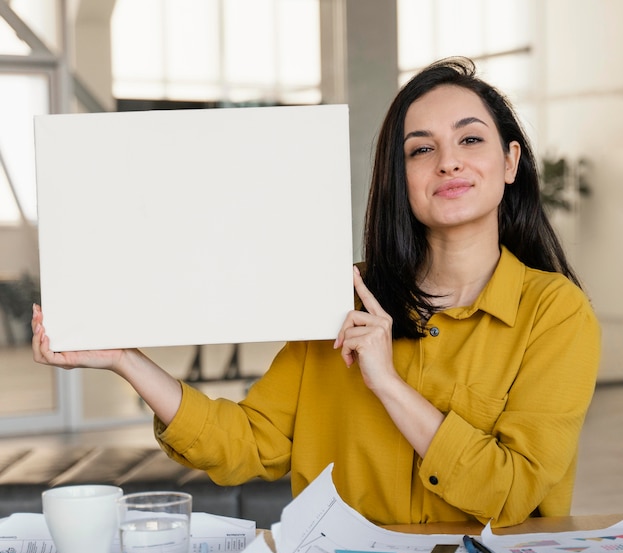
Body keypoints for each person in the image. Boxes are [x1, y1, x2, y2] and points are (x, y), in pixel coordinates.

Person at [32, 57, 600, 528]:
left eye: (470, 139)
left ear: (509, 161)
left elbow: (512, 493)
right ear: (399, 180)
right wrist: (126, 360)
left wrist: (387, 383)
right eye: (420, 149)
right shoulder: (341, 297)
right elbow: (247, 444)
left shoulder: (555, 314)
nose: (447, 160)